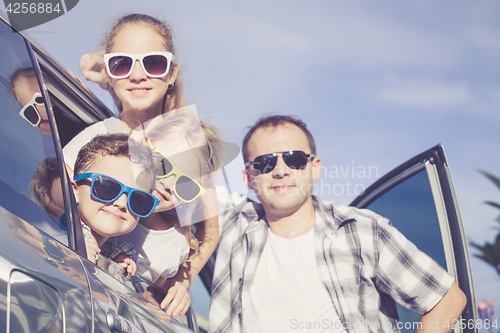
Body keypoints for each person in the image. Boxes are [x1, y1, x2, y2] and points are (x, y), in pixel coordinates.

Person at [209, 115, 467, 333]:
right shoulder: (234, 224)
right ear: (248, 176)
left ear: (314, 168)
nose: (280, 170)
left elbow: (447, 299)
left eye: (294, 159)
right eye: (264, 163)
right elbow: (174, 172)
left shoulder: (362, 230)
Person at [62, 13, 219, 312]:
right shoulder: (94, 139)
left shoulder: (189, 146)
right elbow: (57, 195)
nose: (136, 75)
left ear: (172, 73)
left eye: (153, 62)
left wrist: (183, 281)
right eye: (122, 63)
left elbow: (210, 232)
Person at [117, 109, 224, 316]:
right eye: (162, 164)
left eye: (186, 184)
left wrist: (166, 296)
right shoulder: (105, 201)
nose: (168, 184)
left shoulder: (176, 245)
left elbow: (150, 292)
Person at [72, 133, 159, 277]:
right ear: (75, 190)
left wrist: (110, 264)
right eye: (107, 187)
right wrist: (68, 254)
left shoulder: (113, 247)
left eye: (137, 199)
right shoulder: (54, 225)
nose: (122, 203)